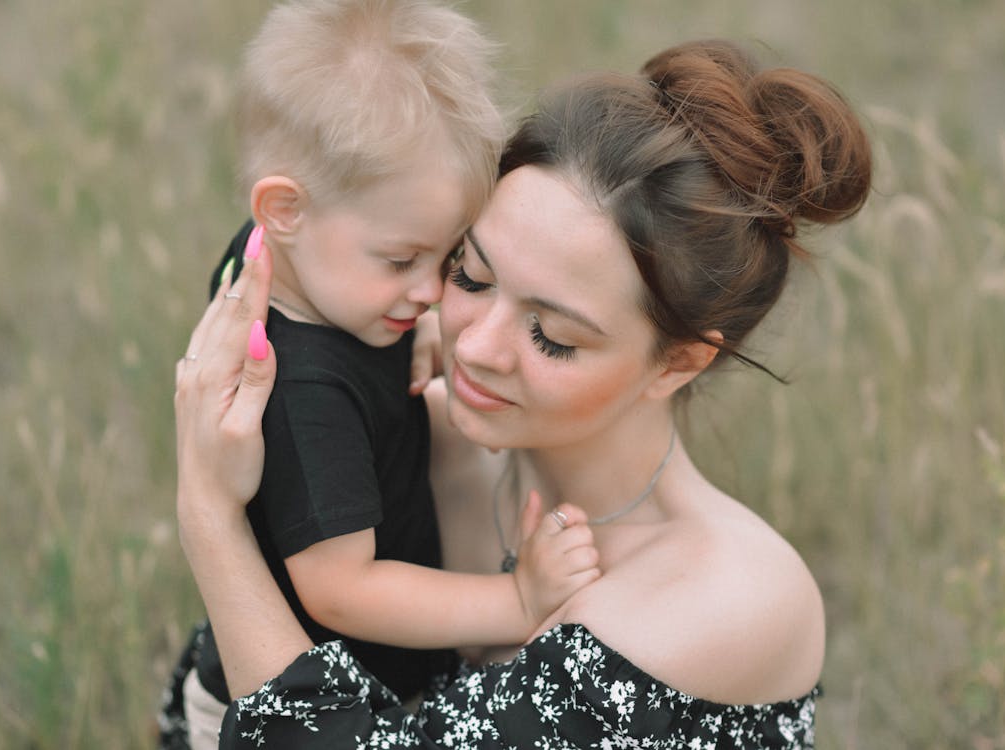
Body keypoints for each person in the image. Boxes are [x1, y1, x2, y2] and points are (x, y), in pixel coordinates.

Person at [173, 39, 872, 748]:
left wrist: (210, 515)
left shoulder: (732, 597)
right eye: (470, 275)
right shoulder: (425, 432)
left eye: (552, 336)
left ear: (679, 362)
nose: (471, 345)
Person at [159, 2, 601, 748]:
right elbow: (341, 589)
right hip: (303, 705)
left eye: (447, 257)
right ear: (286, 209)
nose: (431, 292)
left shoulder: (286, 263)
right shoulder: (304, 392)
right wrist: (516, 600)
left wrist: (400, 308)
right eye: (402, 260)